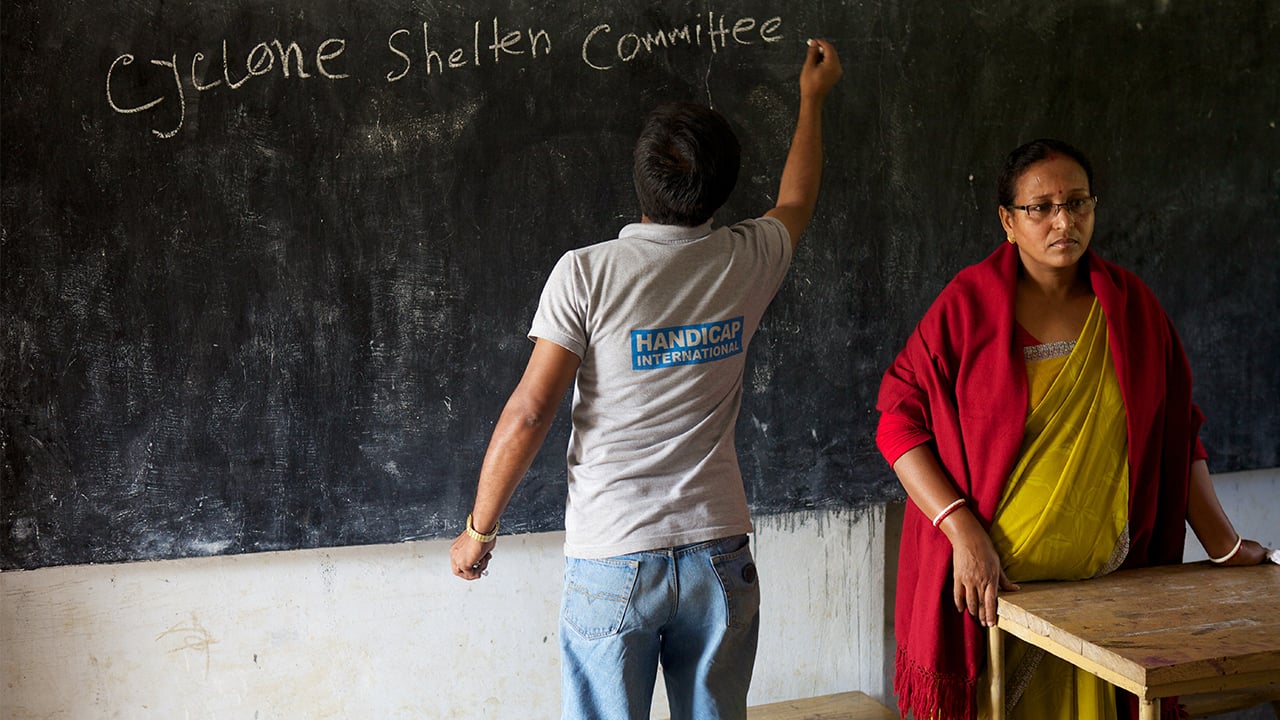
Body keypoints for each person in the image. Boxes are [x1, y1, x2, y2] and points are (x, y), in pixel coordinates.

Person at [449, 40, 843, 720]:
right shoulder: (747, 258)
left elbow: (529, 413)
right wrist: (812, 100)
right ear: (721, 189)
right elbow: (798, 197)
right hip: (719, 553)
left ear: (640, 179)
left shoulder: (588, 272)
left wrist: (479, 531)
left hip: (614, 555)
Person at [875, 138, 1270, 720]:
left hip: (1105, 597)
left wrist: (1225, 545)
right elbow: (896, 425)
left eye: (1078, 203)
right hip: (996, 590)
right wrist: (963, 533)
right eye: (1042, 207)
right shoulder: (967, 308)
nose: (1064, 221)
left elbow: (1174, 438)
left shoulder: (1132, 307)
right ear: (1008, 221)